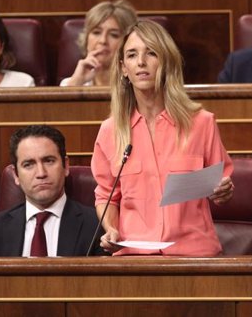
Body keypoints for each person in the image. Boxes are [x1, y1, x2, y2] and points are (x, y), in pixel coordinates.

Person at [91, 20, 234, 256]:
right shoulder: (110, 131)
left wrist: (223, 190)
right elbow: (106, 196)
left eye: (151, 53)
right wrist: (111, 229)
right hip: (134, 257)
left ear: (166, 62)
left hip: (193, 255)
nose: (141, 62)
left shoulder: (201, 123)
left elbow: (222, 187)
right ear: (124, 68)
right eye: (132, 55)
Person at [0, 125, 104, 256]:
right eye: (28, 165)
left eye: (49, 161)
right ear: (16, 175)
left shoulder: (96, 225)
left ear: (66, 166)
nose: (41, 173)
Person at [60, 0, 138, 86]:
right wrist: (76, 83)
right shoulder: (68, 84)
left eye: (114, 35)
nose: (103, 41)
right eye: (96, 32)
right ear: (86, 39)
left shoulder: (137, 86)